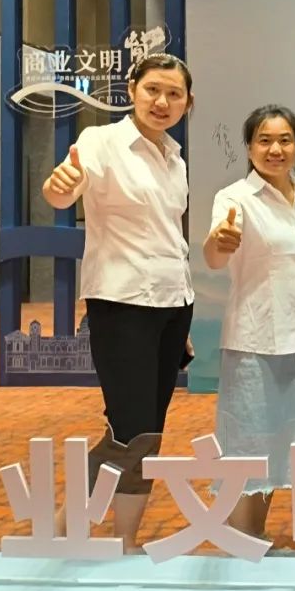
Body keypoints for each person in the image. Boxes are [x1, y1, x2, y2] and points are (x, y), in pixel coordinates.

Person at [41, 53, 195, 553]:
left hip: (172, 307)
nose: (162, 101)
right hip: (121, 302)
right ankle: (71, 528)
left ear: (187, 102)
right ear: (132, 90)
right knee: (131, 430)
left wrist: (182, 314)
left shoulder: (175, 159)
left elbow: (171, 238)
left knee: (147, 432)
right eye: (153, 89)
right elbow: (62, 191)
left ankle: (118, 537)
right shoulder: (100, 141)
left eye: (174, 94)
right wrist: (59, 187)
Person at [202, 105, 295, 541]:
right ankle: (242, 540)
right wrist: (220, 241)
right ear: (249, 148)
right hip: (253, 341)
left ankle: (256, 536)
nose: (275, 149)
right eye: (264, 140)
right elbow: (214, 256)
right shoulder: (234, 198)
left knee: (281, 445)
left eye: (285, 140)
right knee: (247, 445)